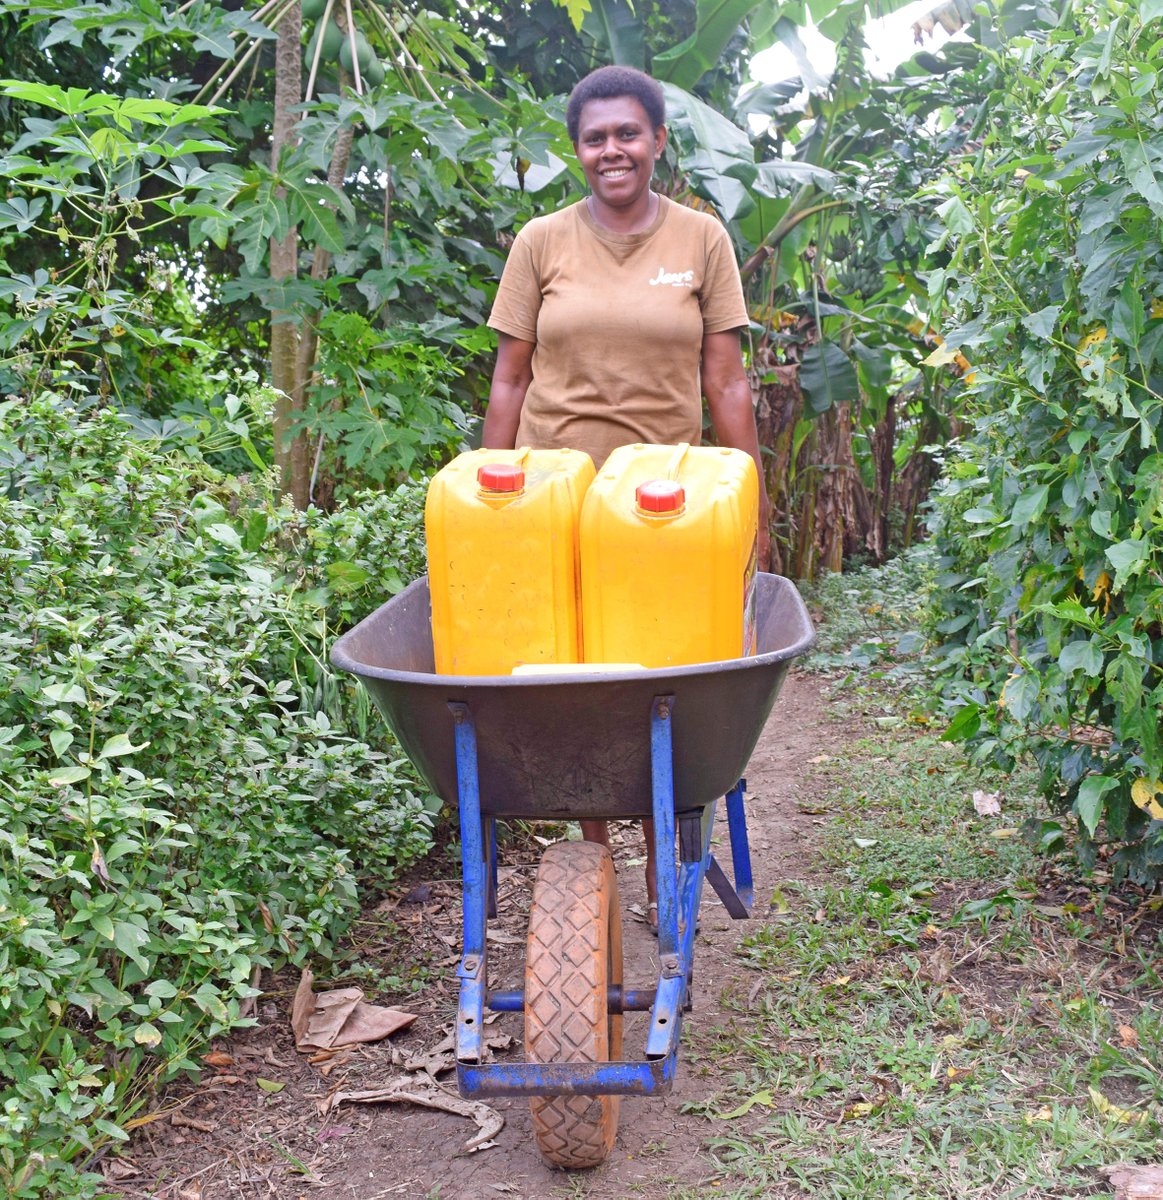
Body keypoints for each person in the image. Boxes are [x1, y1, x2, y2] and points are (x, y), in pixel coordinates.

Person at [482, 64, 770, 931]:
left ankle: (655, 875)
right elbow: (508, 380)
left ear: (656, 142)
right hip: (550, 501)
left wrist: (747, 502)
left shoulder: (700, 241)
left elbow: (726, 384)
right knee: (577, 681)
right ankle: (595, 869)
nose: (611, 150)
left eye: (626, 134)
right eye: (593, 138)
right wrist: (486, 495)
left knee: (653, 683)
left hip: (662, 509)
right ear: (577, 151)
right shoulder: (540, 241)